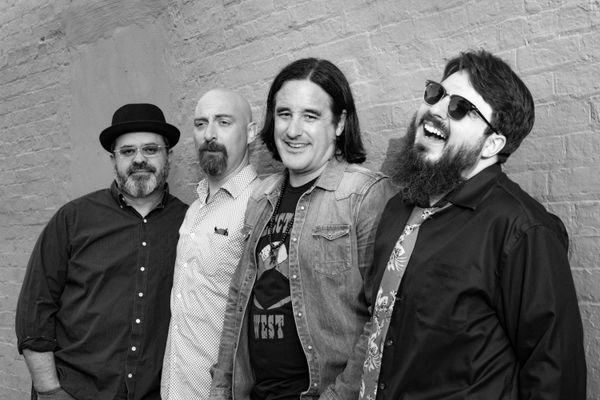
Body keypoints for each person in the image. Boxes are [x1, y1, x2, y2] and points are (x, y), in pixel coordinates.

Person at [359, 50, 586, 400]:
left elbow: (554, 373)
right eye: (436, 94)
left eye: (460, 108)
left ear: (492, 144)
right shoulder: (397, 209)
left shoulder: (522, 230)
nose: (436, 109)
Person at [209, 58, 395, 400]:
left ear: (339, 123)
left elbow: (384, 315)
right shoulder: (262, 195)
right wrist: (222, 386)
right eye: (284, 114)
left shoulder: (364, 194)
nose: (293, 130)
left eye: (310, 116)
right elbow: (239, 298)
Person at [15, 103, 188, 400]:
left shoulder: (190, 224)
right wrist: (50, 391)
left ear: (168, 156)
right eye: (127, 151)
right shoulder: (73, 219)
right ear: (113, 159)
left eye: (150, 150)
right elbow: (36, 307)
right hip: (73, 392)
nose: (139, 159)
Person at [161, 89, 260, 399]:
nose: (209, 134)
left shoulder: (259, 205)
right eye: (201, 124)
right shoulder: (194, 209)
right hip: (175, 388)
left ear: (251, 133)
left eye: (224, 122)